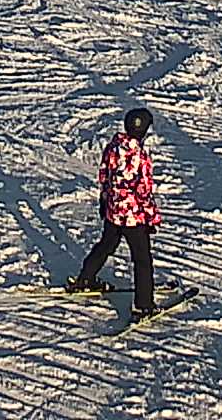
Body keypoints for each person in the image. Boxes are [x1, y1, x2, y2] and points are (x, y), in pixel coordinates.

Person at [64, 107, 162, 316]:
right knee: (142, 259)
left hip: (113, 210)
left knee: (106, 244)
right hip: (133, 216)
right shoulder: (140, 156)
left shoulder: (114, 146)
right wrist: (151, 218)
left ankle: (85, 278)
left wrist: (105, 199)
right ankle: (143, 304)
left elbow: (103, 174)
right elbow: (143, 191)